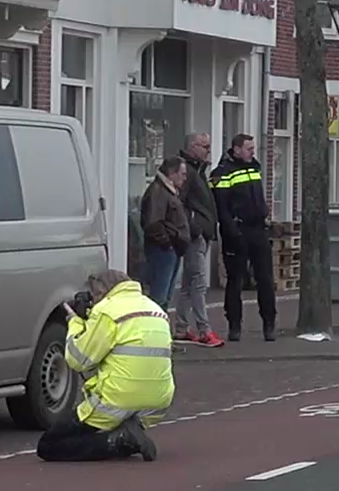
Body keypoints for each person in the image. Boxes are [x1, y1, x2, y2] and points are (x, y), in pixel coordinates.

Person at [38, 270, 169, 462]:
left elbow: (79, 360)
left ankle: (119, 440)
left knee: (49, 445)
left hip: (117, 400)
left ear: (101, 292)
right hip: (157, 402)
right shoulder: (155, 309)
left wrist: (74, 322)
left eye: (92, 297)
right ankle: (128, 431)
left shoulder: (107, 311)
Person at [212, 133, 277, 342]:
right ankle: (234, 326)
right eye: (249, 148)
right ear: (236, 149)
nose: (252, 152)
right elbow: (222, 208)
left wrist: (264, 214)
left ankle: (269, 323)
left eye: (253, 148)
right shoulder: (222, 173)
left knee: (265, 279)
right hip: (237, 233)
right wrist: (234, 232)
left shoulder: (254, 167)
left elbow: (257, 197)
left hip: (258, 230)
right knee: (235, 281)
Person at [175, 131, 223, 346]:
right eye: (204, 146)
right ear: (193, 147)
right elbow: (180, 204)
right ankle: (204, 329)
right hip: (195, 235)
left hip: (199, 233)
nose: (208, 150)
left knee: (188, 283)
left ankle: (182, 327)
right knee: (198, 283)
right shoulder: (189, 172)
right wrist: (195, 228)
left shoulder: (199, 171)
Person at [138, 156, 189, 310]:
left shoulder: (168, 191)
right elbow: (153, 223)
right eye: (182, 174)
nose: (185, 178)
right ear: (172, 174)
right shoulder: (159, 192)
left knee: (165, 296)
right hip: (163, 251)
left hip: (170, 249)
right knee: (159, 296)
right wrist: (168, 244)